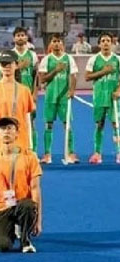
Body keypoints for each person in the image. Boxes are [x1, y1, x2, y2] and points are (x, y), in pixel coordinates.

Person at [0, 117, 42, 253]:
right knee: (3, 246)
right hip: (1, 207)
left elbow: (35, 189)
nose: (6, 132)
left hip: (21, 205)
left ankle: (25, 241)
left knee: (28, 206)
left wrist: (38, 221)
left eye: (10, 128)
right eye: (2, 129)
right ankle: (8, 231)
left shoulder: (30, 157)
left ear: (17, 133)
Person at [0, 50, 36, 153]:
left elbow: (27, 118)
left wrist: (30, 144)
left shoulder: (25, 90)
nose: (6, 66)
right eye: (3, 64)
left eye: (9, 63)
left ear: (16, 65)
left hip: (20, 142)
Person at [38, 34, 79, 164]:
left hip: (64, 98)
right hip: (50, 97)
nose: (56, 44)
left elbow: (73, 76)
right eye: (54, 41)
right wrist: (56, 70)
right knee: (48, 124)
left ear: (62, 44)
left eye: (58, 41)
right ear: (50, 44)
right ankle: (47, 154)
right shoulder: (46, 60)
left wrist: (71, 90)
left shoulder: (69, 58)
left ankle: (70, 153)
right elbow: (42, 79)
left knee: (67, 124)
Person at [84, 33, 120, 164]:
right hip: (99, 97)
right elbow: (87, 77)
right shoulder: (93, 60)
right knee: (99, 124)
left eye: (108, 41)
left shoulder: (117, 59)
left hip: (113, 98)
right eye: (103, 41)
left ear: (112, 43)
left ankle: (119, 152)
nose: (105, 43)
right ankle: (97, 153)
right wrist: (103, 71)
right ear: (99, 44)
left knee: (116, 125)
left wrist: (118, 90)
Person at [12, 27, 39, 151]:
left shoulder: (32, 55)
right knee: (14, 123)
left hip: (28, 94)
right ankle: (16, 149)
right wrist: (19, 67)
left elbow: (36, 75)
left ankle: (32, 150)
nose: (20, 37)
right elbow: (4, 74)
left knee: (31, 123)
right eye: (18, 35)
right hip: (13, 95)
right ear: (14, 38)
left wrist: (35, 94)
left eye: (22, 35)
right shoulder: (10, 55)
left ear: (27, 38)